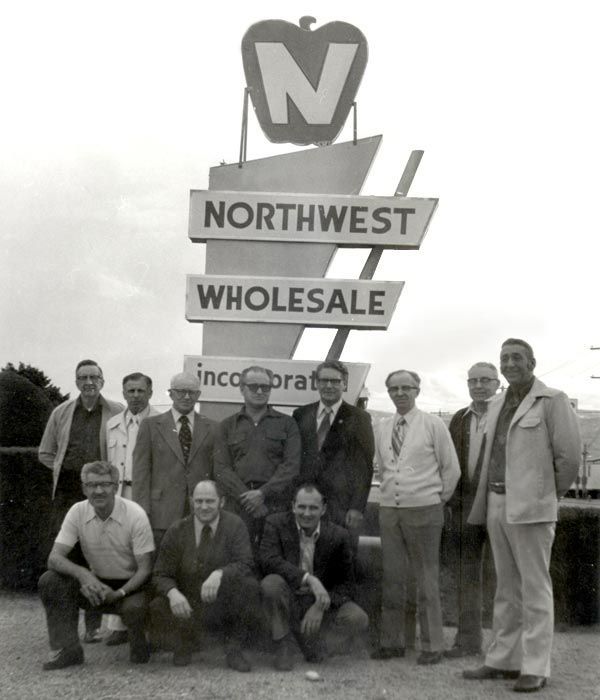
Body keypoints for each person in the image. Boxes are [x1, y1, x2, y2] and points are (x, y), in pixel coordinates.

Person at [463, 339, 581, 693]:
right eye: (504, 358)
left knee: (534, 588)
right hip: (497, 502)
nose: (510, 363)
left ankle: (535, 667)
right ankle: (503, 660)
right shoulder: (498, 401)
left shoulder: (552, 401)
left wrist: (545, 496)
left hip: (531, 508)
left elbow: (569, 459)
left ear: (532, 361)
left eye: (517, 357)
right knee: (506, 588)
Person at [372, 370, 459, 665]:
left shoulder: (433, 424)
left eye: (406, 388)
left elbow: (451, 469)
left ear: (417, 390)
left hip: (424, 509)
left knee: (426, 579)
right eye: (394, 388)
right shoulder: (383, 426)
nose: (400, 393)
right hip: (390, 511)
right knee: (393, 577)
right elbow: (384, 468)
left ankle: (432, 645)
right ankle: (394, 642)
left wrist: (435, 499)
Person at [38, 461, 154, 670]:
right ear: (84, 488)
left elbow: (145, 568)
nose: (98, 491)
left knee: (135, 616)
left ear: (116, 487)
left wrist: (119, 593)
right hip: (96, 584)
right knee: (50, 580)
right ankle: (69, 650)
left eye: (105, 484)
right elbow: (54, 558)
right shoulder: (77, 511)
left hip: (130, 586)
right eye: (92, 485)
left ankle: (139, 640)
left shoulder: (135, 514)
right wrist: (84, 575)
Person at [38, 359, 123, 642]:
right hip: (67, 495)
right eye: (83, 377)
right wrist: (68, 471)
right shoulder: (61, 412)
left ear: (102, 380)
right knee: (67, 557)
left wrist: (100, 482)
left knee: (97, 556)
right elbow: (45, 453)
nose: (89, 382)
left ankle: (93, 627)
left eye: (94, 377)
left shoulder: (115, 411)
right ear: (76, 382)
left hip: (101, 495)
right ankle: (66, 627)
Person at [151, 480, 260, 672]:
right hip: (188, 603)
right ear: (191, 501)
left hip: (222, 601)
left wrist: (220, 573)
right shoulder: (177, 530)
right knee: (158, 604)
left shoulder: (235, 525)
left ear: (222, 502)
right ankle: (184, 643)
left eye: (210, 501)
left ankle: (234, 649)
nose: (203, 507)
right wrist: (173, 593)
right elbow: (160, 573)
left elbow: (246, 563)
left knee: (250, 587)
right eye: (198, 501)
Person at [259, 483, 369, 671]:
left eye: (313, 508)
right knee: (271, 584)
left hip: (317, 602)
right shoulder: (275, 523)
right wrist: (309, 578)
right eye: (301, 507)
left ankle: (314, 644)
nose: (307, 513)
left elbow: (347, 585)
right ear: (293, 506)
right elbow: (268, 560)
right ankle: (283, 645)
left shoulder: (339, 535)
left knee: (358, 617)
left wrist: (321, 604)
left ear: (323, 509)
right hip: (289, 597)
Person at [445, 362, 500, 658]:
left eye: (485, 380)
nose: (478, 386)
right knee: (467, 576)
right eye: (473, 381)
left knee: (504, 575)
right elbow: (451, 463)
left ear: (497, 383)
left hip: (501, 506)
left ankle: (505, 647)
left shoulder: (506, 414)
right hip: (466, 509)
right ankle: (467, 641)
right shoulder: (459, 419)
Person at [214, 366, 300, 552]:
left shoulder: (287, 424)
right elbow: (221, 468)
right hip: (237, 506)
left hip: (275, 506)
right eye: (253, 386)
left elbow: (291, 465)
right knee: (238, 558)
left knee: (272, 558)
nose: (260, 391)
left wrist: (262, 494)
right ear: (241, 388)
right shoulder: (227, 425)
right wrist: (248, 498)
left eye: (265, 386)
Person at [104, 372, 158, 646]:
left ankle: (145, 624)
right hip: (118, 494)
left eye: (140, 390)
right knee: (119, 553)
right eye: (130, 391)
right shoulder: (112, 424)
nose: (135, 396)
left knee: (146, 555)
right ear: (123, 393)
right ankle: (117, 624)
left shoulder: (160, 421)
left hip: (146, 495)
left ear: (150, 392)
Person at [293, 360, 374, 540]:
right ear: (317, 383)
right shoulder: (301, 415)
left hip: (342, 506)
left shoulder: (359, 418)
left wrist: (357, 507)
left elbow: (364, 467)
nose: (329, 385)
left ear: (344, 384)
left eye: (335, 381)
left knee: (339, 558)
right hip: (307, 503)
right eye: (324, 380)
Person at [132, 372, 216, 547]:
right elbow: (140, 473)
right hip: (160, 514)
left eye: (191, 392)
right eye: (180, 391)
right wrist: (141, 513)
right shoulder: (150, 425)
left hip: (201, 511)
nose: (186, 396)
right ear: (170, 393)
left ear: (198, 395)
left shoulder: (213, 427)